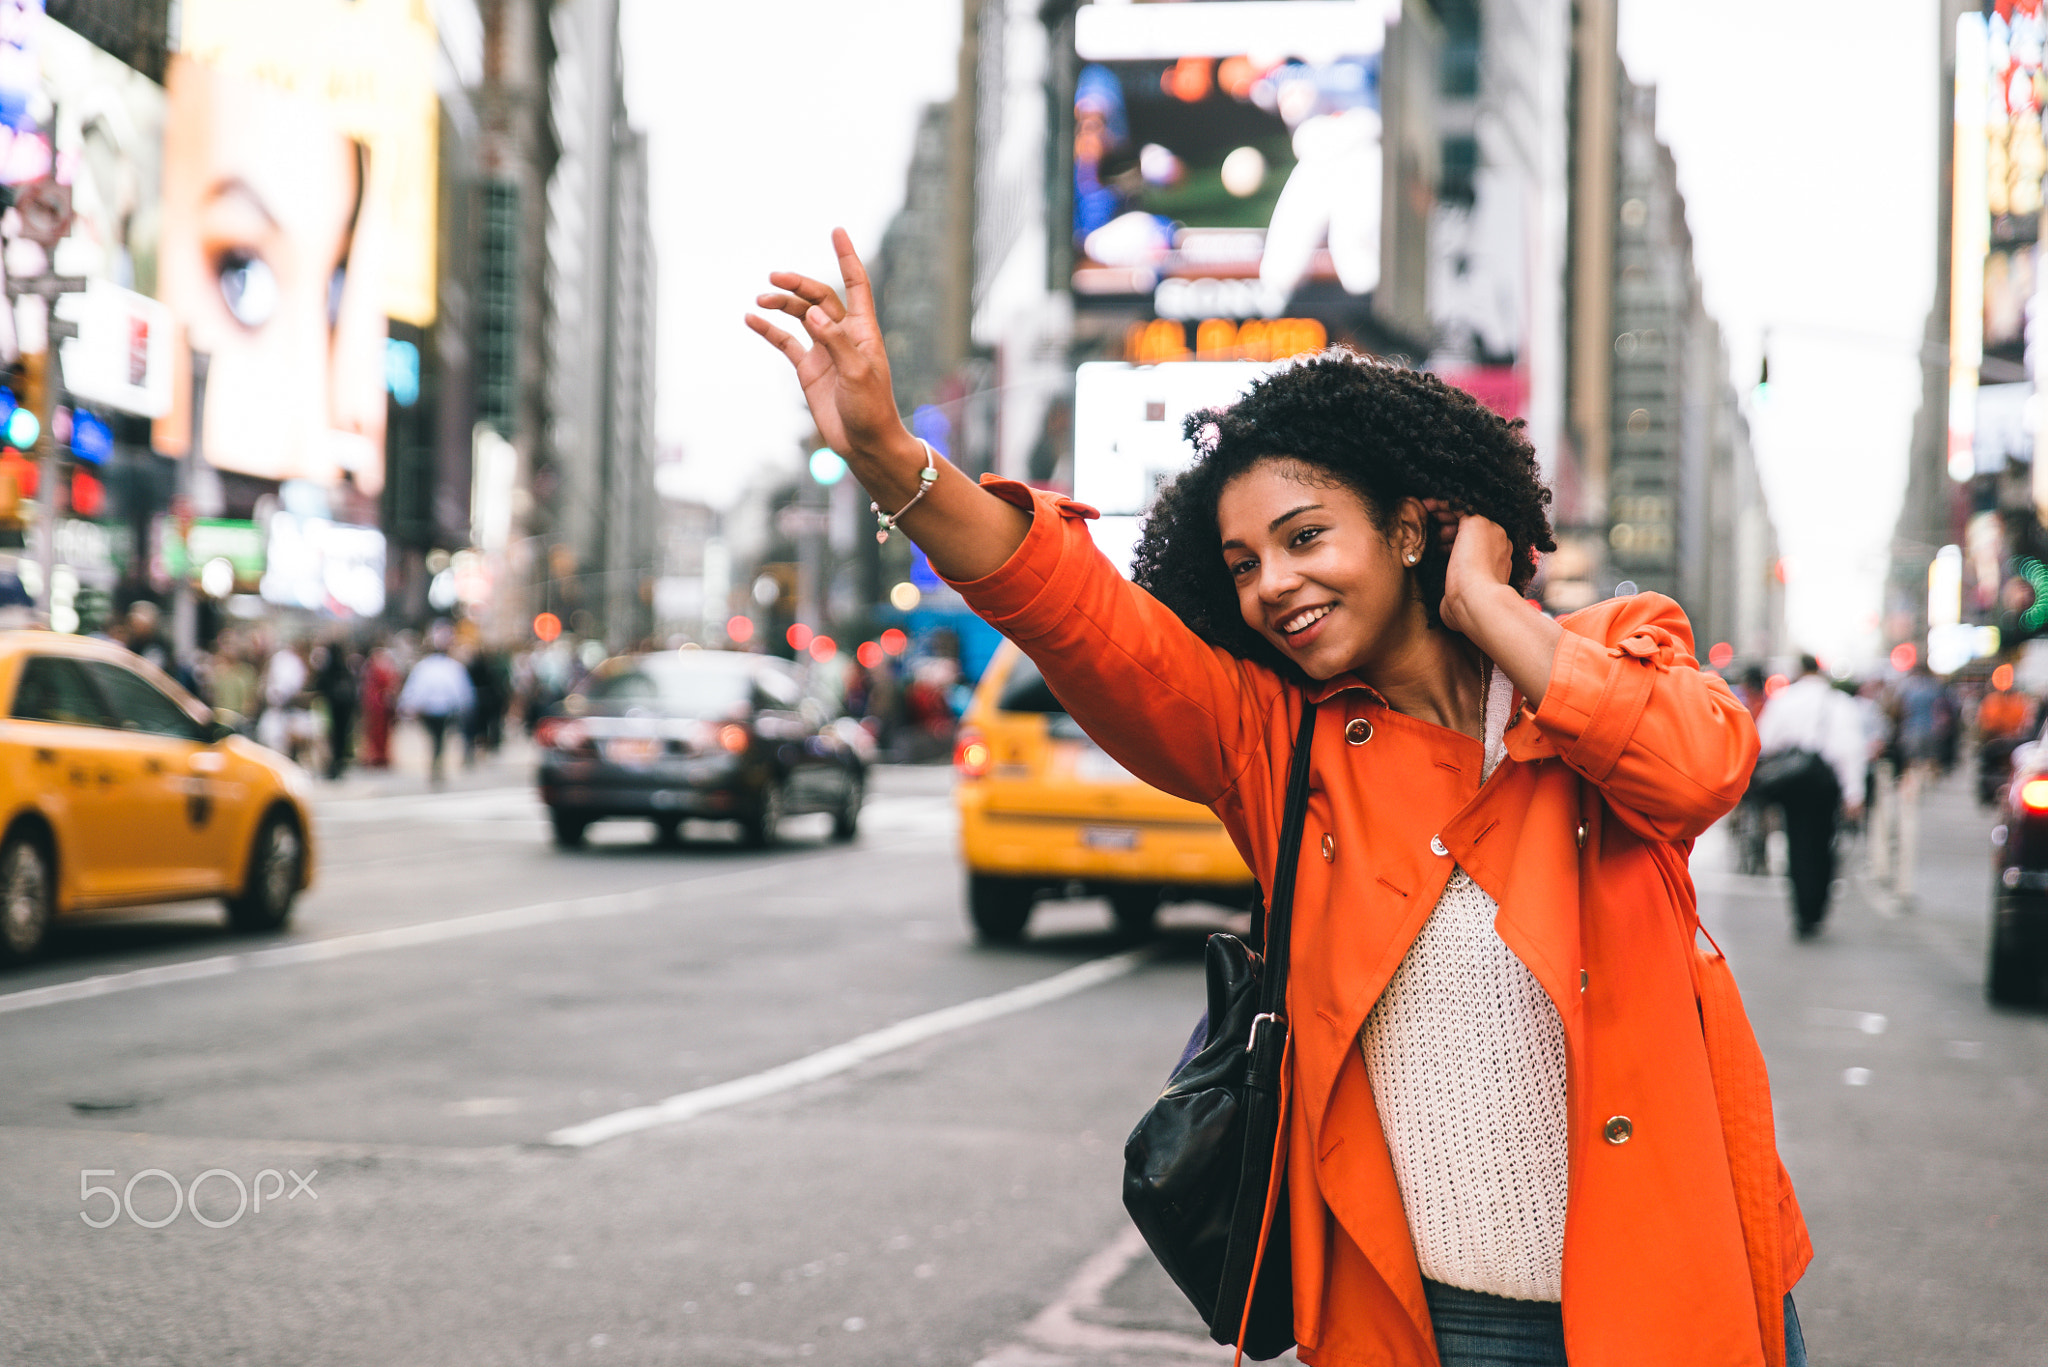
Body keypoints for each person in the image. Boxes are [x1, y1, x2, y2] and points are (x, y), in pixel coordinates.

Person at [747, 231, 1810, 1367]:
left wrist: (1492, 608)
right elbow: (1068, 606)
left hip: (1678, 1292)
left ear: (1411, 527)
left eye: (1305, 537)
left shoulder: (1611, 652)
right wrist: (886, 454)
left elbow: (1698, 768)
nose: (1273, 584)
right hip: (1429, 1325)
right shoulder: (1276, 745)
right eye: (1243, 562)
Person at [1756, 656, 1867, 937]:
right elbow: (1850, 750)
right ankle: (1817, 907)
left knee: (1797, 844)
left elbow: (1765, 740)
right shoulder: (1839, 703)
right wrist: (1854, 793)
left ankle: (1802, 911)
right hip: (1825, 784)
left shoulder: (1784, 699)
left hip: (1794, 784)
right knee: (1823, 843)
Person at [398, 625, 474, 784]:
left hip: (433, 710)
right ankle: (436, 763)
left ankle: (436, 764)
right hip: (438, 710)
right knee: (438, 740)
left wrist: (408, 706)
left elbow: (415, 689)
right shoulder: (448, 666)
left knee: (436, 740)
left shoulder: (428, 666)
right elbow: (461, 690)